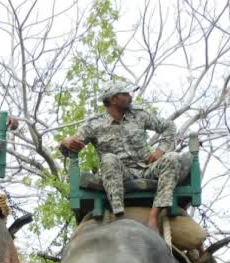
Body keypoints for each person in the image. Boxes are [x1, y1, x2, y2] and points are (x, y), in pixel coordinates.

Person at [61, 79, 181, 233]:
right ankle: (119, 215)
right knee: (109, 159)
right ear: (113, 99)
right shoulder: (94, 124)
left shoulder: (139, 115)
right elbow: (71, 146)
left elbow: (169, 126)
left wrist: (161, 150)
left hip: (147, 168)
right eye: (125, 94)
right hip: (120, 174)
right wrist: (66, 143)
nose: (130, 96)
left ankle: (154, 215)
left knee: (173, 157)